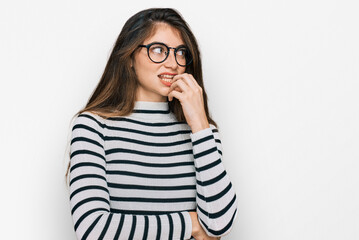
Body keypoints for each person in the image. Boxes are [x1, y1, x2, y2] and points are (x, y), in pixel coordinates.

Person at [66, 8, 238, 240]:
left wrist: (199, 123)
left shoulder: (204, 132)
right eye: (158, 50)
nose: (173, 63)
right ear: (128, 58)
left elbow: (220, 224)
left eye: (180, 53)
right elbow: (94, 229)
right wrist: (191, 223)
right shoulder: (93, 127)